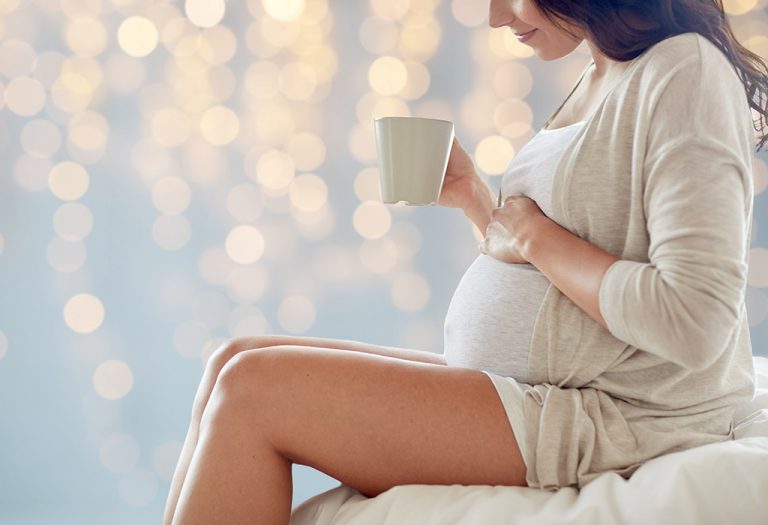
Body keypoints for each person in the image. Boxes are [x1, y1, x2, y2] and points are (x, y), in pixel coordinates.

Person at [164, 1, 768, 523]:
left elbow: (695, 320)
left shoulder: (684, 72)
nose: (493, 16)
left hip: (615, 415)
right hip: (547, 389)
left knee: (254, 391)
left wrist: (531, 236)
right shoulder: (601, 70)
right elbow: (570, 261)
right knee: (234, 358)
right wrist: (478, 202)